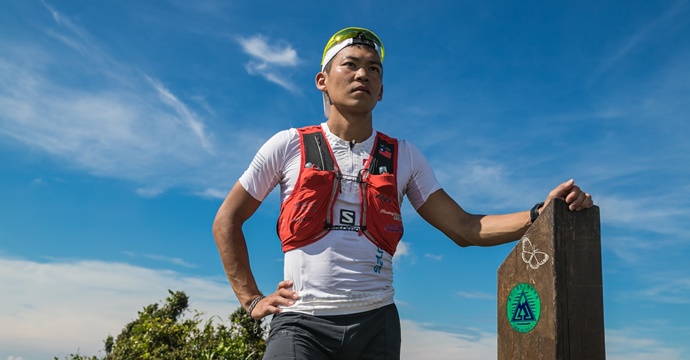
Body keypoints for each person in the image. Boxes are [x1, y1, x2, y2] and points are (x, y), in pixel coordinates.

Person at [212, 26, 593, 360]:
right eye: (351, 64)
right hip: (301, 324)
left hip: (376, 325)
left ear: (381, 91)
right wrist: (252, 299)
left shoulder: (404, 156)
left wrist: (541, 213)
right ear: (322, 80)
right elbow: (227, 220)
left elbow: (464, 227)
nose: (363, 73)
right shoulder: (287, 145)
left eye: (373, 69)